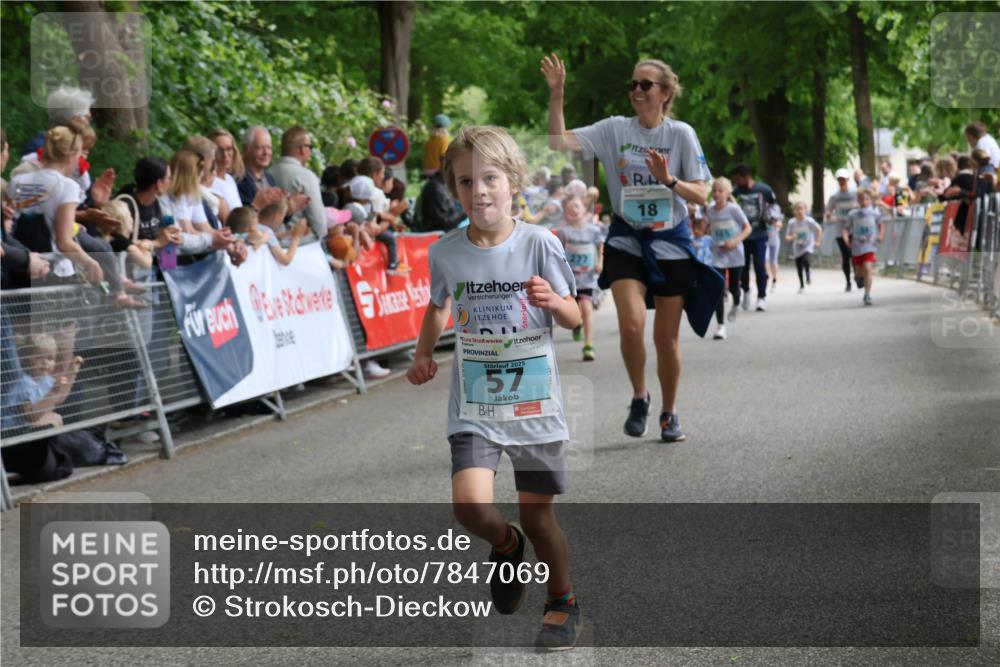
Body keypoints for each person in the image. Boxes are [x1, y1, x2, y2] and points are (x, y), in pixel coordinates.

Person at [407, 125, 582, 651]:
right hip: (475, 402)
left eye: (489, 178)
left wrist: (555, 303)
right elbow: (439, 305)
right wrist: (422, 353)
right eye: (465, 181)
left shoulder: (540, 243)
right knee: (469, 507)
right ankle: (506, 544)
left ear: (513, 182)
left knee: (538, 512)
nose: (478, 191)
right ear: (454, 188)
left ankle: (561, 599)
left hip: (533, 403)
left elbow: (575, 317)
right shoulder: (446, 253)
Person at [541, 52, 721, 443]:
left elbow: (703, 194)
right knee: (631, 325)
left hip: (671, 241)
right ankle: (640, 396)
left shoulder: (681, 135)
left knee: (665, 339)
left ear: (666, 92)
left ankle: (669, 412)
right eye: (633, 84)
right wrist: (557, 95)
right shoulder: (614, 130)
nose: (636, 91)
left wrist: (669, 180)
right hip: (627, 238)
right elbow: (558, 141)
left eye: (645, 85)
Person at [9, 125, 146, 308]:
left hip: (21, 266)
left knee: (28, 332)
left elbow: (31, 217)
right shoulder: (66, 186)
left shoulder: (19, 182)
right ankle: (118, 292)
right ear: (72, 155)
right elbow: (64, 241)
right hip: (53, 272)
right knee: (65, 334)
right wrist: (90, 262)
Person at [555, 193, 604, 361]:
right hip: (570, 277)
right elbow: (557, 252)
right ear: (565, 212)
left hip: (588, 276)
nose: (573, 210)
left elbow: (600, 246)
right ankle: (577, 325)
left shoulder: (593, 230)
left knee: (587, 306)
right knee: (575, 308)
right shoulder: (563, 232)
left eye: (576, 206)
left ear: (584, 210)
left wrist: (600, 263)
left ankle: (588, 344)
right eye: (569, 208)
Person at [1, 334, 82, 430]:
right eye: (38, 357)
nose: (45, 362)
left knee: (56, 418)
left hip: (25, 424)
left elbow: (58, 398)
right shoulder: (24, 383)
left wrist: (71, 372)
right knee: (55, 419)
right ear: (25, 358)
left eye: (50, 358)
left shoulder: (46, 380)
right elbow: (31, 415)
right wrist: (53, 392)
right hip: (10, 429)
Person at [705, 176, 751, 340]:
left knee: (733, 288)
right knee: (718, 289)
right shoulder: (709, 210)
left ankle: (737, 303)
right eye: (714, 190)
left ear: (727, 193)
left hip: (735, 254)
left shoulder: (734, 209)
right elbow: (708, 226)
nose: (716, 193)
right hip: (718, 254)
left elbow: (747, 228)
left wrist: (735, 241)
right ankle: (720, 326)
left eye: (720, 191)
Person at [730, 163, 776, 312]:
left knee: (759, 265)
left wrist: (772, 219)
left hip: (760, 234)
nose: (736, 182)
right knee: (743, 267)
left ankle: (761, 297)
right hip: (742, 235)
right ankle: (746, 291)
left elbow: (774, 207)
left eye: (738, 179)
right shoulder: (736, 192)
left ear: (747, 176)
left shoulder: (764, 190)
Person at [269, 126, 326, 241]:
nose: (310, 151)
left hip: (269, 240)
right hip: (297, 243)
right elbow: (318, 222)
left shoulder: (268, 173)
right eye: (310, 147)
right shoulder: (306, 176)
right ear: (302, 149)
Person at [228, 204, 307, 266]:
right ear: (276, 216)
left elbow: (270, 238)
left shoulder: (233, 233)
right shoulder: (265, 232)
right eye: (283, 215)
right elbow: (286, 260)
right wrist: (297, 237)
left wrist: (287, 234)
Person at [843, 188, 883, 306]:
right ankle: (858, 278)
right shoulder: (853, 214)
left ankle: (867, 294)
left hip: (870, 246)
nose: (864, 201)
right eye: (861, 199)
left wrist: (881, 235)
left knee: (868, 268)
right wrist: (846, 239)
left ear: (871, 200)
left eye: (867, 199)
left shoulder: (875, 212)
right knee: (859, 272)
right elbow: (846, 228)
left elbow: (881, 225)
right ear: (858, 200)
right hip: (857, 246)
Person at [825, 168, 858, 291]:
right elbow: (828, 212)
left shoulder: (855, 193)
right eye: (839, 179)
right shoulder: (834, 196)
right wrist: (833, 217)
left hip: (854, 229)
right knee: (845, 256)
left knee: (854, 254)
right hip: (840, 229)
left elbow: (861, 205)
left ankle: (857, 276)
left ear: (847, 179)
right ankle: (848, 281)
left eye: (843, 179)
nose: (841, 181)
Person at [785, 202, 822, 294]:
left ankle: (808, 275)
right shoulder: (792, 222)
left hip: (807, 245)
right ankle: (801, 284)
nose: (799, 211)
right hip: (797, 246)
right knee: (799, 266)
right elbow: (787, 237)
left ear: (805, 210)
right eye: (797, 209)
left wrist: (817, 241)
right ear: (794, 211)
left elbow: (819, 229)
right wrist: (792, 237)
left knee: (806, 259)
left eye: (801, 208)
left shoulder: (809, 221)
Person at [236, 126, 278, 206]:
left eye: (269, 148)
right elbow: (242, 216)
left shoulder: (270, 179)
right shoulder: (238, 179)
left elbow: (274, 215)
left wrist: (289, 208)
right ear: (246, 149)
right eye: (260, 148)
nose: (265, 153)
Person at [208, 128, 245, 212]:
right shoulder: (209, 181)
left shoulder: (229, 179)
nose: (225, 155)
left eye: (229, 149)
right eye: (219, 150)